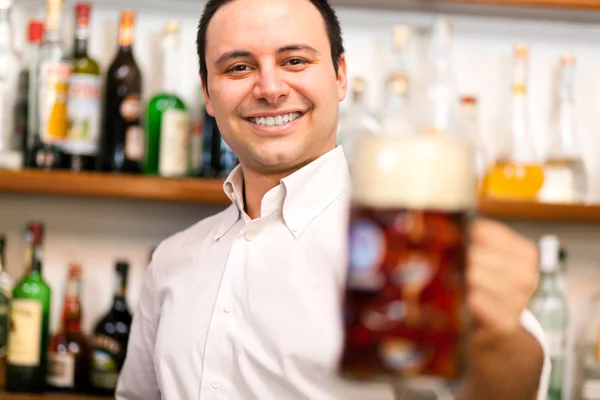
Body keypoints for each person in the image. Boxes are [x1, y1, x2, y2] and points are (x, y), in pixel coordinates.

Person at [116, 0, 550, 399]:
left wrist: (502, 337)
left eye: (295, 61)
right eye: (239, 68)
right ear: (208, 95)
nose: (270, 88)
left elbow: (511, 382)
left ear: (340, 76)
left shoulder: (409, 244)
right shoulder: (171, 261)